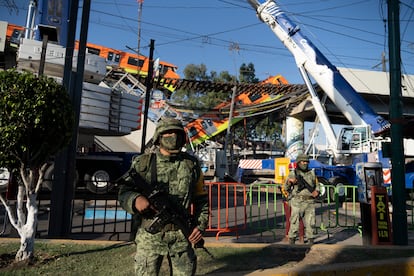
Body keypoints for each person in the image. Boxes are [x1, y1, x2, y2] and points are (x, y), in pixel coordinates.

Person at [118, 117, 209, 275]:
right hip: (149, 237)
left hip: (182, 236)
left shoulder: (191, 165)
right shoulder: (143, 163)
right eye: (167, 133)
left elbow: (201, 200)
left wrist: (199, 227)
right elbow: (124, 192)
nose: (172, 136)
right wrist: (135, 200)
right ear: (159, 137)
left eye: (176, 133)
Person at [283, 153, 320, 245]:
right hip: (297, 201)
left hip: (309, 201)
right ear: (298, 162)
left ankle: (311, 241)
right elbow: (285, 187)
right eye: (303, 161)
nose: (305, 163)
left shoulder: (312, 173)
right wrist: (290, 182)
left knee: (310, 222)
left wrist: (317, 192)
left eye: (306, 162)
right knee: (294, 222)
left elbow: (317, 185)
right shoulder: (293, 173)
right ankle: (292, 241)